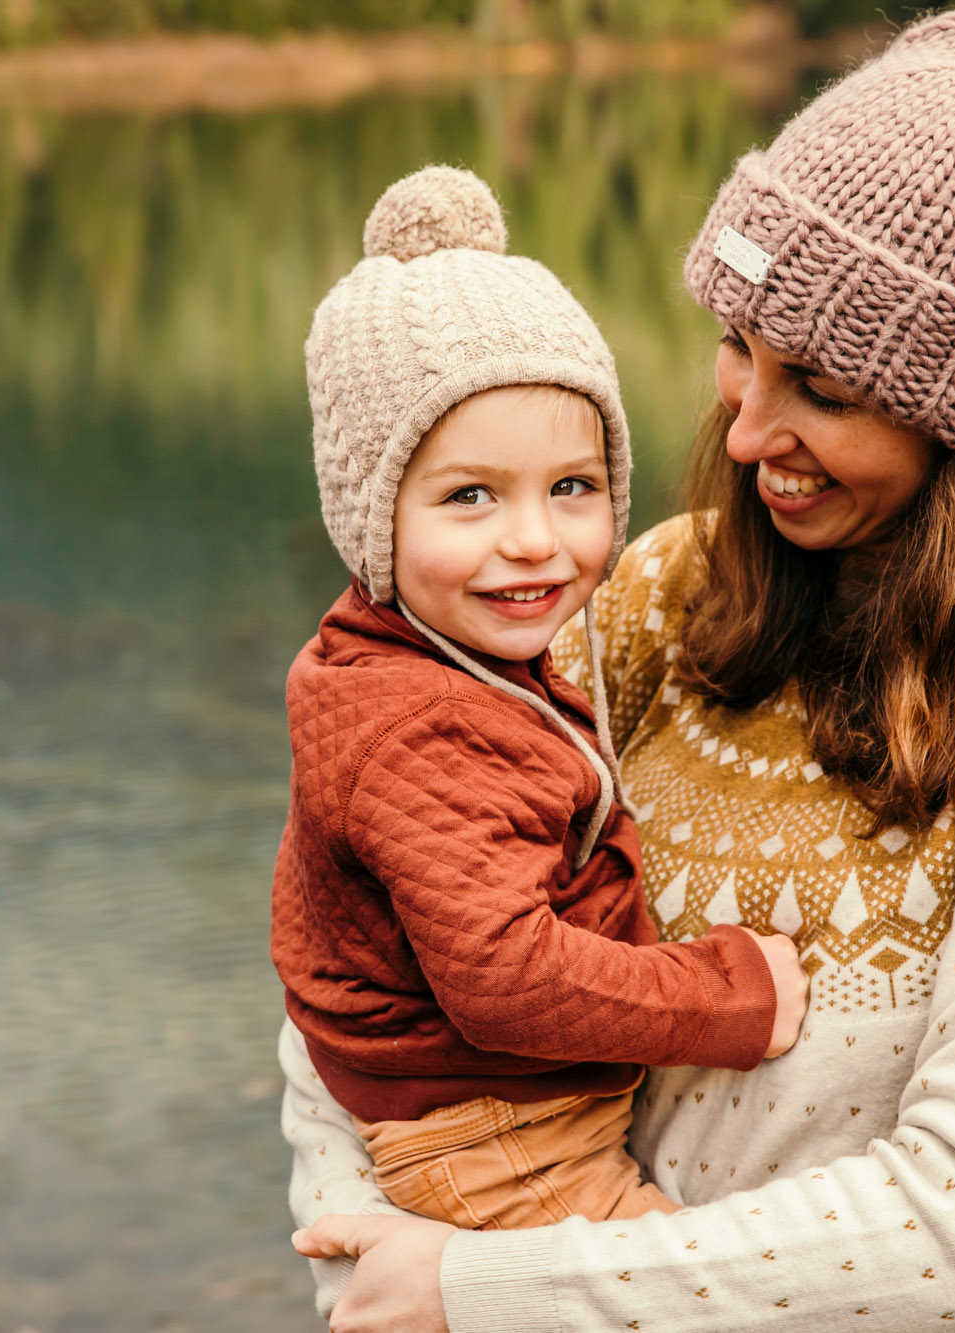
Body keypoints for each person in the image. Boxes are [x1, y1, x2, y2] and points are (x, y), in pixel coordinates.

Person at [283, 1, 955, 1328]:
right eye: (741, 347)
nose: (744, 430)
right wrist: (364, 1250)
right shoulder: (662, 591)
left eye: (825, 390)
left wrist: (484, 1288)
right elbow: (366, 924)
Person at [273, 166, 811, 1235]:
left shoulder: (429, 649)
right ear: (371, 517)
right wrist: (728, 996)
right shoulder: (421, 724)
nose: (531, 538)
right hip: (494, 1140)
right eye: (468, 496)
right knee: (661, 1294)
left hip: (482, 1114)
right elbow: (504, 980)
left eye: (571, 487)